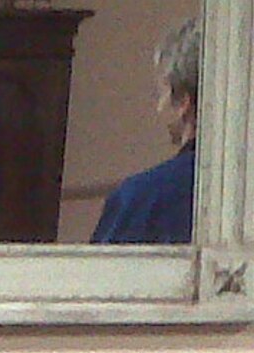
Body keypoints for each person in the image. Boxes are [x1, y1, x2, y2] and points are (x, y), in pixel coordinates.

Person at [90, 16, 198, 245]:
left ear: (182, 103)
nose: (159, 107)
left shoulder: (141, 197)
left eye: (161, 94)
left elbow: (96, 277)